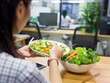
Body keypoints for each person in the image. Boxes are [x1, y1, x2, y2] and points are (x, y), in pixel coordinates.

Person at [0, 0, 63, 83]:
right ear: (20, 9)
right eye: (30, 7)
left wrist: (17, 52)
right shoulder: (24, 71)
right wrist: (53, 58)